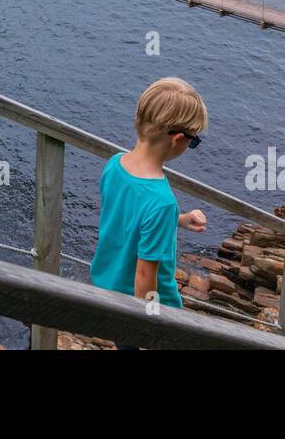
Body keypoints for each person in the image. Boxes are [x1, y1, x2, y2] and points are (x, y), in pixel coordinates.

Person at [89, 77, 209, 341]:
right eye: (194, 141)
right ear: (178, 139)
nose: (192, 145)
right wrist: (147, 330)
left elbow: (131, 216)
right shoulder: (162, 201)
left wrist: (180, 220)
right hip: (151, 311)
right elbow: (145, 275)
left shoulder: (115, 165)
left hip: (108, 289)